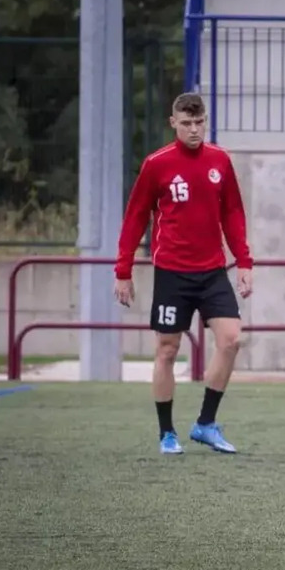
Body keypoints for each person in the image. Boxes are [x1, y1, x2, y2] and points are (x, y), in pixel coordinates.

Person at [114, 92, 254, 456]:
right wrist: (123, 269)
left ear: (205, 121)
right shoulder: (156, 164)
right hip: (172, 272)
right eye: (186, 123)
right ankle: (166, 433)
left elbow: (233, 214)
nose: (194, 130)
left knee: (231, 339)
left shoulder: (219, 161)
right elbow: (136, 216)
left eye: (199, 122)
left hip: (212, 272)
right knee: (167, 349)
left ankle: (205, 424)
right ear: (173, 123)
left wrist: (244, 262)